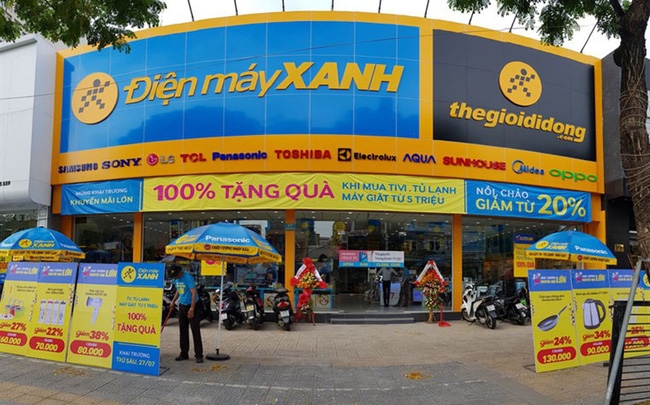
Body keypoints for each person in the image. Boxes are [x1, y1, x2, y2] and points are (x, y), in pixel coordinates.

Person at [168, 264, 204, 363]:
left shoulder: (188, 277)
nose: (175, 277)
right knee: (183, 331)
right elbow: (178, 290)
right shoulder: (176, 279)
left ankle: (199, 355)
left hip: (193, 306)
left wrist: (192, 309)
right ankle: (184, 354)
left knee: (195, 331)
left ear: (179, 272)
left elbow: (194, 293)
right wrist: (173, 301)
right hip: (182, 305)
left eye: (176, 275)